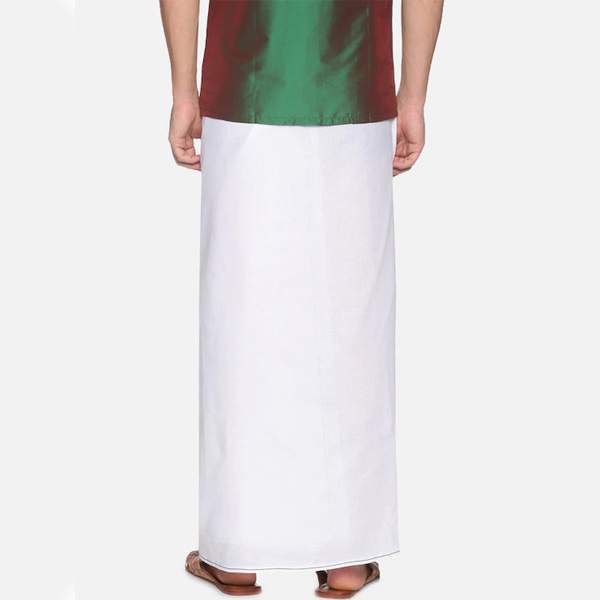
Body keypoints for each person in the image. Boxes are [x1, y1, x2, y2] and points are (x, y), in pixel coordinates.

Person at [160, 0, 443, 596]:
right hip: (355, 87)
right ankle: (346, 557)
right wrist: (413, 97)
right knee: (351, 323)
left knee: (242, 319)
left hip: (246, 83)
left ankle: (236, 552)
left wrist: (184, 90)